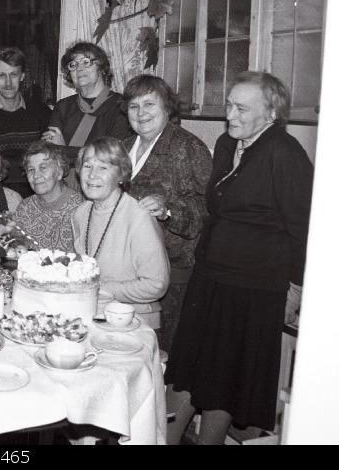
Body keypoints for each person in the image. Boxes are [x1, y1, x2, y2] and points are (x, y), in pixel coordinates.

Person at [165, 72, 313, 445]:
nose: (229, 113)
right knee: (187, 365)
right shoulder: (227, 145)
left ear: (271, 113)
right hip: (212, 276)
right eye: (229, 103)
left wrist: (294, 291)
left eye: (241, 107)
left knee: (226, 376)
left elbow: (304, 230)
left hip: (253, 287)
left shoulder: (285, 153)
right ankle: (162, 439)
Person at [122, 75, 212, 355]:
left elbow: (209, 210)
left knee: (160, 351)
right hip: (128, 267)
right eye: (134, 106)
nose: (141, 113)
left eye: (149, 104)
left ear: (167, 108)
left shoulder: (189, 147)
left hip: (172, 271)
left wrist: (168, 209)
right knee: (127, 344)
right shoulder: (123, 147)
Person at [71, 137, 170, 329]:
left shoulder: (138, 215)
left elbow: (156, 284)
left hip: (134, 322)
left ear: (121, 175)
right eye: (87, 166)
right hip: (93, 316)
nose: (92, 175)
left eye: (103, 168)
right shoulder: (81, 213)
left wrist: (98, 287)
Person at [43, 42, 131, 177]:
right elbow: (50, 154)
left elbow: (111, 157)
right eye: (73, 65)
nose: (79, 68)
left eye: (86, 62)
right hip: (62, 186)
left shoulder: (121, 106)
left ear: (101, 68)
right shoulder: (63, 107)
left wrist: (64, 149)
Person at [0, 46, 51, 198]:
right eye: (2, 75)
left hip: (37, 190)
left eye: (13, 75)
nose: (8, 83)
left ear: (22, 76)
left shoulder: (41, 111)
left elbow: (47, 160)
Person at [12, 140, 84, 252]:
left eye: (43, 167)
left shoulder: (80, 208)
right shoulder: (25, 208)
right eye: (31, 170)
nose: (36, 175)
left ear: (59, 172)